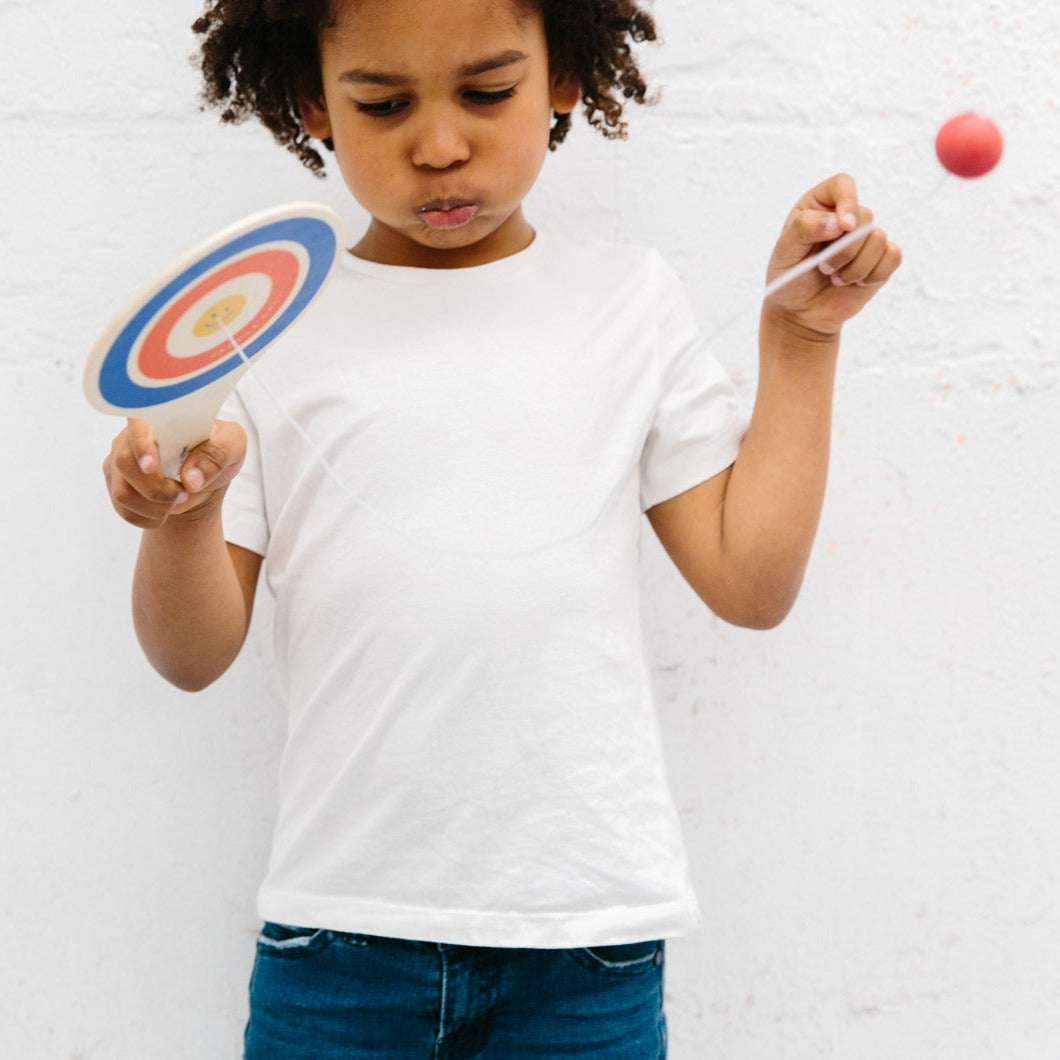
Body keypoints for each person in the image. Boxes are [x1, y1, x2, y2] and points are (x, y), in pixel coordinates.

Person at [102, 0, 902, 1056]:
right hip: (339, 940)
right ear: (312, 106)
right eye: (382, 104)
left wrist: (797, 336)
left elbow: (748, 584)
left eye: (487, 92)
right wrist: (182, 515)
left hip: (585, 945)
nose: (439, 146)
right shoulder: (261, 330)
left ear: (564, 76)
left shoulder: (629, 300)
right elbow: (190, 655)